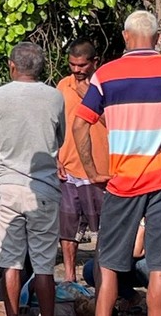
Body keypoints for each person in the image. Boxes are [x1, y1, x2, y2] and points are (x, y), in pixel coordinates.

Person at [73, 10, 161, 316]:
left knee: (107, 264)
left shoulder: (106, 75)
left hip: (123, 181)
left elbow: (81, 125)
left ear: (125, 37)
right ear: (158, 38)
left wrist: (93, 172)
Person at [0, 42, 65, 316]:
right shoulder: (55, 97)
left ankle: (12, 313)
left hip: (6, 186)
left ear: (12, 66)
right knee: (44, 266)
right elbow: (60, 139)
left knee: (11, 262)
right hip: (43, 189)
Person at [57, 38, 108, 284]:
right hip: (68, 169)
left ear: (95, 62)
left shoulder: (106, 87)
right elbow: (55, 125)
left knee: (102, 229)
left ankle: (102, 278)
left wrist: (90, 99)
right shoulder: (62, 86)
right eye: (72, 65)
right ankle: (69, 277)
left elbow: (116, 123)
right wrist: (55, 156)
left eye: (82, 65)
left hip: (99, 170)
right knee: (68, 228)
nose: (76, 70)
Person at [82, 220, 161, 314]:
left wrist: (142, 224)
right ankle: (131, 296)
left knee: (145, 266)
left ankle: (158, 306)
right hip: (132, 262)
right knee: (91, 269)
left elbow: (137, 252)